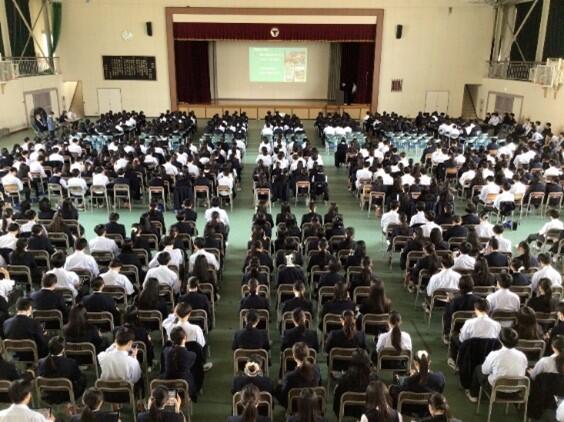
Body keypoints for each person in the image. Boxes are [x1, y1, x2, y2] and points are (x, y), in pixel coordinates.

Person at [466, 327, 527, 402]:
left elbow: (484, 371)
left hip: (496, 391)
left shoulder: (494, 354)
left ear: (500, 340)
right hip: (516, 391)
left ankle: (473, 396)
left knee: (478, 369)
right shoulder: (522, 356)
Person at [38, 336, 85, 403]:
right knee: (83, 378)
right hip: (65, 396)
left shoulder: (41, 362)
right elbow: (77, 377)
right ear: (63, 349)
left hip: (48, 395)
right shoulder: (71, 362)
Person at [277, 342, 321, 408]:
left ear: (294, 356)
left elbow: (284, 395)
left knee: (279, 388)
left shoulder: (290, 376)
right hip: (313, 402)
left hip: (295, 406)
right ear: (308, 354)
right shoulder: (317, 369)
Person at [160, 327, 197, 400]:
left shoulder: (166, 351)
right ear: (185, 338)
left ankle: (172, 397)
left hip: (168, 386)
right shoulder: (191, 355)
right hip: (183, 387)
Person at [332, 349, 372, 416]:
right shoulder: (373, 379)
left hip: (346, 410)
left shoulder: (345, 378)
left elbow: (337, 402)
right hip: (366, 410)